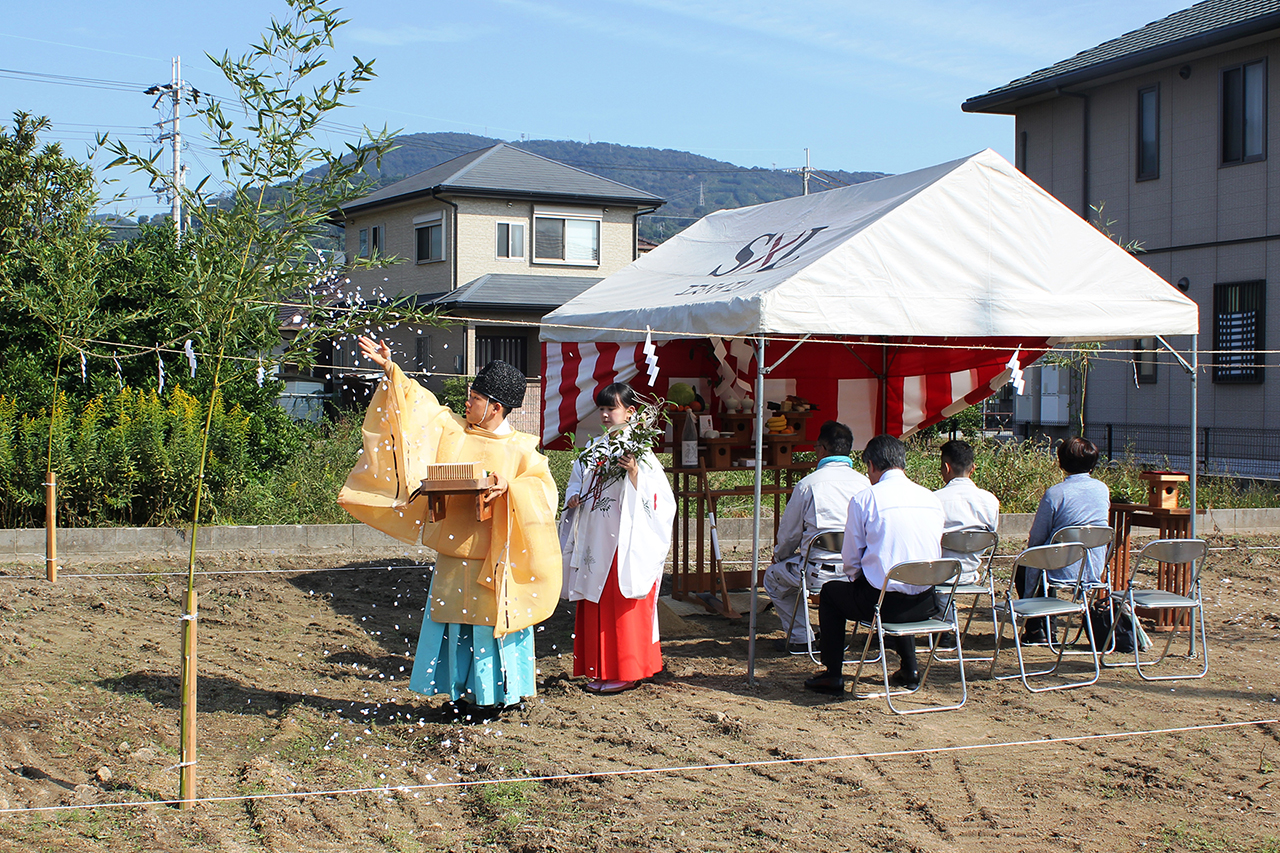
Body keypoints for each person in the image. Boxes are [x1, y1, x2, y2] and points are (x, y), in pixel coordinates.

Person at [338, 336, 561, 717]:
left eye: (474, 398)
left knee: (490, 628)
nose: (467, 403)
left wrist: (510, 487)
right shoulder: (454, 430)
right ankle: (458, 695)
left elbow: (545, 496)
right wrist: (391, 370)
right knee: (454, 625)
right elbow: (420, 407)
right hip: (452, 553)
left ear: (495, 407)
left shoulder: (524, 449)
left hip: (494, 557)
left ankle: (495, 697)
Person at [804, 434, 945, 695]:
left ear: (871, 465)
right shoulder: (932, 499)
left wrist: (859, 579)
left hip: (882, 604)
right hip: (927, 603)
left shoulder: (865, 499)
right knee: (904, 577)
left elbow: (851, 559)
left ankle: (833, 674)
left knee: (831, 594)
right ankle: (910, 668)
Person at [561, 383, 675, 693]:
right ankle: (599, 667)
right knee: (596, 601)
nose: (606, 414)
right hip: (595, 539)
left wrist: (636, 473)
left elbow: (660, 500)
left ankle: (627, 668)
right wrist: (573, 497)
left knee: (620, 600)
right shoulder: (594, 448)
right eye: (602, 408)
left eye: (611, 408)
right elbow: (576, 481)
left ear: (630, 411)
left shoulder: (641, 453)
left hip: (625, 539)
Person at [763, 420, 870, 654]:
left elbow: (789, 534)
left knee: (773, 578)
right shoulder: (866, 484)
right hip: (858, 573)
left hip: (817, 572)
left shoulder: (808, 485)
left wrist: (780, 557)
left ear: (822, 449)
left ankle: (801, 638)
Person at [1020, 436, 1110, 644]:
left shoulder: (1055, 493)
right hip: (1092, 565)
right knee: (1044, 559)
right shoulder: (1102, 489)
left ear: (1061, 462)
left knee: (1028, 564)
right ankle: (1043, 627)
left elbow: (1037, 536)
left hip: (1060, 565)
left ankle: (1037, 629)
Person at [935, 439, 1000, 585]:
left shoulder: (934, 500)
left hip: (938, 576)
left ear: (946, 468)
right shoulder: (990, 501)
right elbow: (990, 537)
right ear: (973, 468)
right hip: (970, 575)